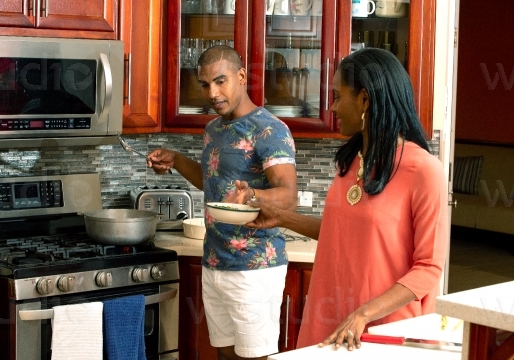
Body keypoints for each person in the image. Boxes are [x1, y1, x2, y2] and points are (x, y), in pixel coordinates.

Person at [240, 48, 449, 351]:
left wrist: (363, 314)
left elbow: (428, 268)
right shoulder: (350, 161)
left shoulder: (423, 170)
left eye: (338, 96)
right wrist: (281, 218)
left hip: (387, 330)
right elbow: (343, 234)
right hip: (332, 319)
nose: (333, 107)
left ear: (365, 99)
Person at [147, 45, 298, 360]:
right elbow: (212, 182)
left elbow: (288, 195)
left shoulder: (270, 130)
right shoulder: (214, 128)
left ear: (241, 76)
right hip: (215, 261)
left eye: (220, 81)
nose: (212, 92)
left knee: (254, 356)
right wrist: (175, 159)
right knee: (225, 356)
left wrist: (252, 195)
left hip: (254, 267)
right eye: (205, 84)